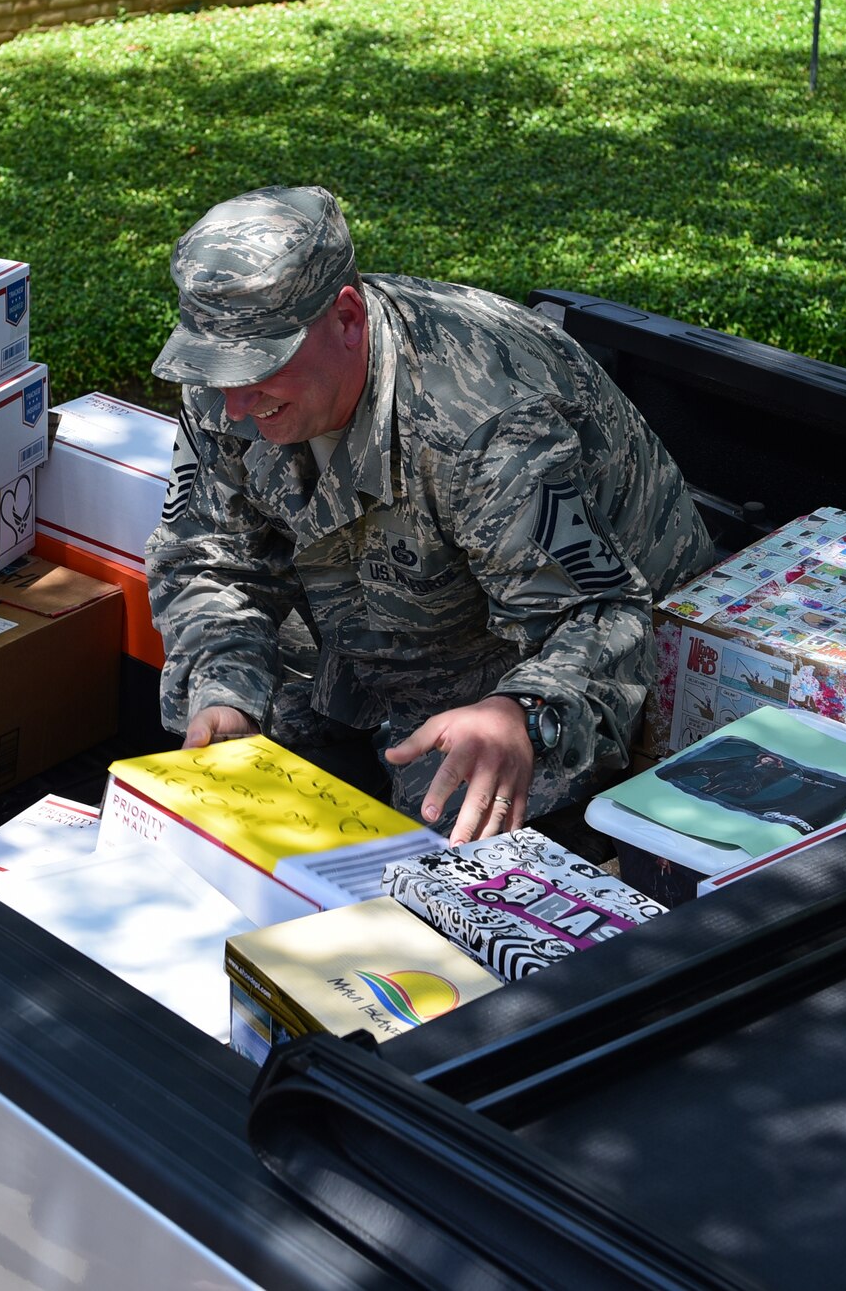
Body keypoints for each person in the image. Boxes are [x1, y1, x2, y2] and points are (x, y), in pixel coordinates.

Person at [145, 185, 716, 845]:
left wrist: (521, 714)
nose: (234, 405)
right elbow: (206, 554)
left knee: (451, 833)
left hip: (532, 646)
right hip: (377, 606)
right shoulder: (224, 383)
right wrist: (223, 689)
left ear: (348, 318)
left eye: (259, 370)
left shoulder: (485, 424)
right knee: (236, 765)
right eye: (215, 373)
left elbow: (597, 617)